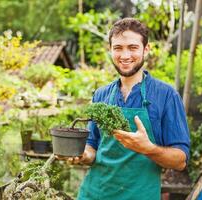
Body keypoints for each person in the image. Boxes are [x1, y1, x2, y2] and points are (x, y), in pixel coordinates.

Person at [61, 18, 190, 200]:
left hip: (139, 195)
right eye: (118, 48)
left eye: (133, 47)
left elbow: (180, 161)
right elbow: (92, 145)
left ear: (146, 49)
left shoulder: (166, 96)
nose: (125, 55)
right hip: (94, 193)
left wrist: (148, 148)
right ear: (110, 50)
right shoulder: (101, 94)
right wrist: (82, 155)